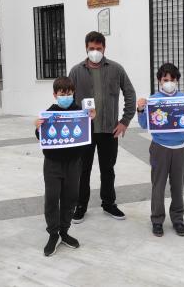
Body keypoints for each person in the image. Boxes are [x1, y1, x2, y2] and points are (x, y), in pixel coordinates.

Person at [69, 31, 136, 223]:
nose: (95, 52)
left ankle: (109, 203)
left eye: (99, 48)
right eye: (92, 48)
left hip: (109, 130)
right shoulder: (76, 71)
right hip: (85, 132)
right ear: (86, 48)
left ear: (104, 48)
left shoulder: (116, 69)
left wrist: (124, 121)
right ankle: (80, 205)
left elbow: (130, 94)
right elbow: (68, 99)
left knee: (108, 169)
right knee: (83, 170)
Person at [137, 63, 184, 237]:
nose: (169, 82)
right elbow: (145, 124)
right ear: (160, 81)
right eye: (165, 79)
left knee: (178, 187)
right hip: (160, 148)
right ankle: (157, 220)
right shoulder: (153, 100)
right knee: (158, 186)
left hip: (181, 149)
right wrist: (140, 109)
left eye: (172, 79)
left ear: (177, 80)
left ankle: (178, 220)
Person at [34, 77, 96, 256]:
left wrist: (91, 120)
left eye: (69, 93)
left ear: (73, 93)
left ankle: (64, 231)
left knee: (70, 198)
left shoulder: (80, 112)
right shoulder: (49, 113)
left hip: (74, 163)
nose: (66, 96)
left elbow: (87, 137)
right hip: (53, 163)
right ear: (55, 95)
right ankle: (53, 234)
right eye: (62, 93)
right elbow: (43, 138)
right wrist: (38, 128)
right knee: (52, 199)